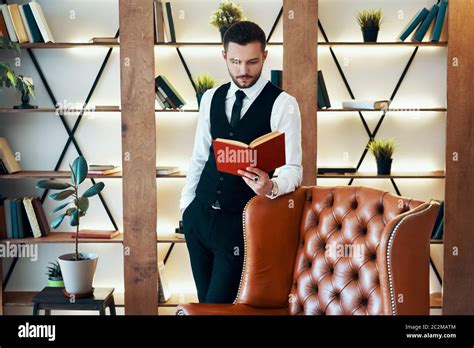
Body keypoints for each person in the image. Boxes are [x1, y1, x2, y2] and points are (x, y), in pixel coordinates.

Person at [179, 21, 302, 303]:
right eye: (235, 61)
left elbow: (293, 169)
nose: (243, 71)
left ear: (265, 56)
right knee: (204, 305)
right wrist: (187, 207)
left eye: (252, 62)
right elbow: (199, 156)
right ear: (224, 56)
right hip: (199, 218)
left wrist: (271, 186)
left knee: (219, 307)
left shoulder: (284, 104)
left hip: (240, 225)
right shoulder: (210, 98)